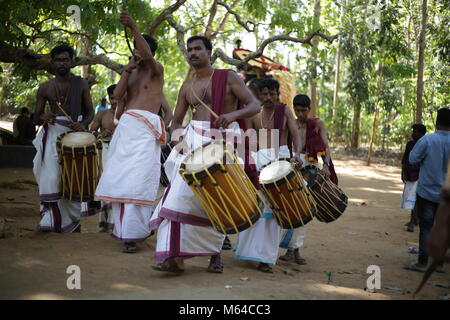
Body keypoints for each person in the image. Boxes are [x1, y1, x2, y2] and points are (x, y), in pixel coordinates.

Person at [150, 35, 261, 274]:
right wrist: (181, 144)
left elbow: (254, 105)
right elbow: (177, 121)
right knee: (177, 199)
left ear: (209, 52)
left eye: (198, 48)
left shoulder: (227, 76)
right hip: (193, 144)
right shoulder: (187, 86)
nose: (192, 53)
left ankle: (215, 255)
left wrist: (231, 116)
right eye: (189, 50)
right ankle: (174, 257)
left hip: (224, 145)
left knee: (217, 198)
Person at [95, 10, 167, 253]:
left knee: (139, 179)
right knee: (122, 178)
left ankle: (136, 233)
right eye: (134, 48)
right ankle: (124, 232)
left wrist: (134, 26)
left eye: (140, 47)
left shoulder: (156, 68)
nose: (137, 52)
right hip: (127, 127)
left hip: (145, 130)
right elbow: (116, 96)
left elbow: (146, 54)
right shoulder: (132, 71)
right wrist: (127, 69)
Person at [233, 78, 303, 273]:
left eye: (272, 94)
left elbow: (296, 135)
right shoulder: (255, 114)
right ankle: (254, 253)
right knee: (259, 210)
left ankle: (266, 258)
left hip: (282, 164)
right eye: (264, 94)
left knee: (275, 214)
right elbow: (250, 141)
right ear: (259, 96)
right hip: (261, 163)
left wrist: (297, 154)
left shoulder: (285, 111)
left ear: (277, 94)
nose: (268, 98)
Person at [33, 44, 94, 233]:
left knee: (71, 177)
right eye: (58, 60)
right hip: (53, 133)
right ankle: (50, 217)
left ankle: (72, 220)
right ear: (52, 63)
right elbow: (35, 117)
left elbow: (90, 111)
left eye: (65, 59)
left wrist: (83, 124)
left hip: (75, 134)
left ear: (72, 62)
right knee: (51, 177)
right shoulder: (45, 88)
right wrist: (44, 117)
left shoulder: (81, 84)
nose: (62, 63)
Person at [277, 94, 337, 265]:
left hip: (310, 169)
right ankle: (291, 250)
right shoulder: (291, 123)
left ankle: (294, 250)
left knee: (305, 209)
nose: (300, 113)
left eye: (303, 110)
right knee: (292, 207)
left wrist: (326, 165)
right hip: (292, 166)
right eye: (297, 110)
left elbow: (325, 145)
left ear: (309, 110)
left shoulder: (317, 124)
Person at [404, 108, 450, 273]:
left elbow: (413, 158)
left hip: (427, 191)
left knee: (426, 227)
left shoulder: (428, 140)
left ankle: (422, 262)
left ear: (437, 122)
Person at [87, 84, 122, 232]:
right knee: (106, 186)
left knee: (120, 187)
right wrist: (101, 135)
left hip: (123, 154)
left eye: (117, 98)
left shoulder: (127, 114)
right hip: (106, 153)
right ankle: (105, 223)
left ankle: (118, 224)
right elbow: (91, 132)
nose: (114, 101)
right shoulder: (102, 114)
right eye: (111, 98)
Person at [401, 124, 426, 232]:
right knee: (411, 198)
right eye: (413, 131)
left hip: (420, 175)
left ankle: (412, 221)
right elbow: (405, 159)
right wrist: (402, 172)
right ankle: (415, 219)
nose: (413, 133)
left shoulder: (425, 144)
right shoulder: (410, 144)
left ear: (422, 134)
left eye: (415, 131)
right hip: (410, 175)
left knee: (414, 199)